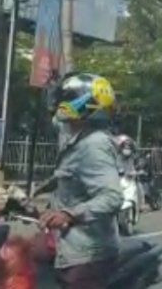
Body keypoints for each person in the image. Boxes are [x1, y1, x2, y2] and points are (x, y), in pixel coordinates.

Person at [38, 73, 125, 289]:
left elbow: (112, 197)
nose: (60, 104)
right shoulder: (75, 136)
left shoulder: (94, 145)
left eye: (65, 98)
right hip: (67, 247)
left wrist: (69, 214)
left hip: (87, 258)